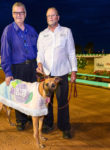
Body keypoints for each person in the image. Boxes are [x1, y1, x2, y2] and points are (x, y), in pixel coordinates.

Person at [36, 7, 77, 139]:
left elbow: (71, 52)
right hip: (47, 75)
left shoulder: (66, 31)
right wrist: (39, 63)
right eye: (48, 16)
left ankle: (64, 127)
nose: (51, 18)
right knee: (47, 101)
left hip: (62, 74)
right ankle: (48, 124)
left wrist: (74, 71)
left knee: (63, 102)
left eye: (53, 15)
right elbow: (40, 53)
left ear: (58, 17)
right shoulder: (42, 34)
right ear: (46, 18)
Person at [0, 2, 38, 131]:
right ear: (12, 14)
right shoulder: (8, 31)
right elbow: (5, 52)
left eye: (21, 12)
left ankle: (29, 116)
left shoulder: (31, 30)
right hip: (18, 67)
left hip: (32, 66)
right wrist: (7, 73)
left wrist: (39, 65)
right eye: (16, 13)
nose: (19, 15)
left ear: (25, 14)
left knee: (31, 94)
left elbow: (38, 49)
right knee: (20, 94)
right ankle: (20, 121)